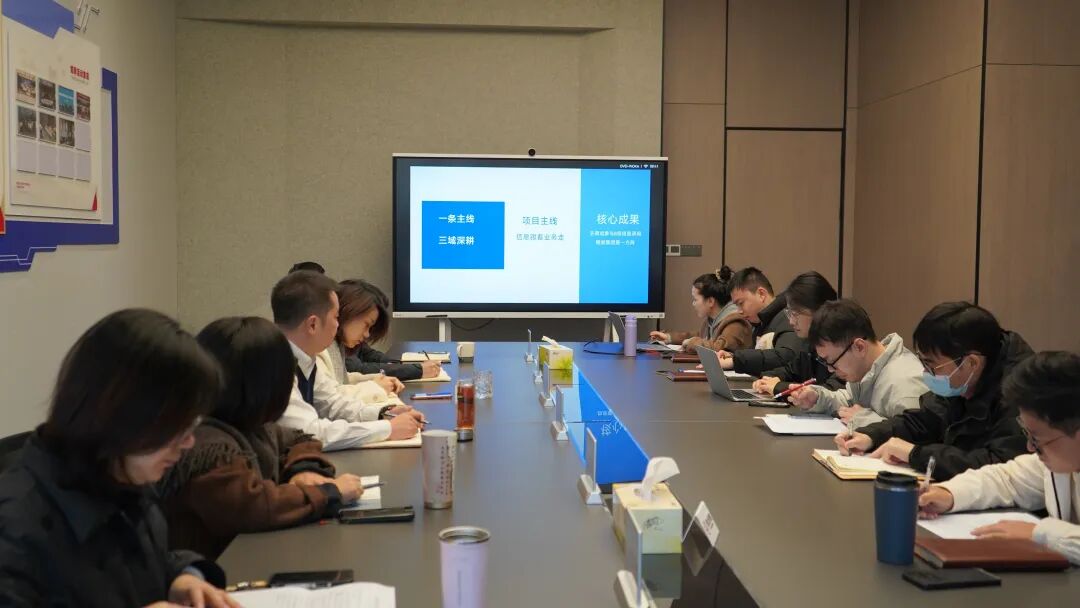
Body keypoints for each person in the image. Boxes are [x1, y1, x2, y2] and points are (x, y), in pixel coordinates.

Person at [0, 309, 237, 607]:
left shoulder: (119, 479)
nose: (189, 442)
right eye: (178, 427)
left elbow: (141, 565)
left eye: (193, 425)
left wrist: (182, 577)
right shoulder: (15, 528)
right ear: (122, 415)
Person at [160, 317, 366, 560]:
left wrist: (302, 470)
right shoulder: (208, 446)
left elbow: (300, 440)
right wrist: (331, 492)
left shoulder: (252, 425)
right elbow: (254, 507)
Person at [834, 302, 1032, 481]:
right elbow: (924, 419)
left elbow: (1001, 466)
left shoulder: (1022, 393)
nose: (926, 373)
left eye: (932, 366)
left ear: (971, 363)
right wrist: (872, 436)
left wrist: (915, 454)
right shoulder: (962, 380)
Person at [920, 352, 1080, 564]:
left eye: (1037, 439)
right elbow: (1007, 479)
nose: (1030, 448)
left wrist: (1040, 533)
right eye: (1028, 435)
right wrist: (949, 494)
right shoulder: (1059, 458)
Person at [272, 270, 423, 450]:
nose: (338, 324)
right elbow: (310, 434)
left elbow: (332, 404)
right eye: (336, 317)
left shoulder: (305, 359)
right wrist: (388, 429)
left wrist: (383, 413)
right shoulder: (273, 365)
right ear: (313, 324)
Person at [785, 299, 926, 426]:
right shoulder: (868, 368)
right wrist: (817, 399)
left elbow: (917, 436)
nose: (830, 369)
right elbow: (850, 401)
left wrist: (865, 420)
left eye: (832, 361)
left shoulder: (906, 385)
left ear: (859, 347)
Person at [748, 271, 843, 396]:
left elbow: (830, 391)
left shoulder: (841, 344)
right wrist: (768, 379)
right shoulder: (811, 344)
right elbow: (791, 370)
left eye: (796, 314)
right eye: (790, 313)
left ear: (819, 310)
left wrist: (778, 387)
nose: (791, 322)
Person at [339, 280, 442, 381]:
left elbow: (368, 354)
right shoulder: (332, 345)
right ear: (347, 311)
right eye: (366, 324)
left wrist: (402, 364)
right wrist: (416, 370)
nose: (367, 334)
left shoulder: (347, 341)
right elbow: (357, 369)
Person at [713, 267, 804, 375]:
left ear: (761, 294)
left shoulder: (787, 317)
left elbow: (788, 356)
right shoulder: (761, 322)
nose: (739, 311)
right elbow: (762, 357)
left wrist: (736, 361)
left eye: (741, 303)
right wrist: (732, 357)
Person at [649, 266, 752, 352]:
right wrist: (668, 337)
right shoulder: (711, 320)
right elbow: (699, 336)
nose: (693, 304)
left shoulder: (735, 322)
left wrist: (692, 343)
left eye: (695, 299)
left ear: (710, 301)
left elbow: (719, 347)